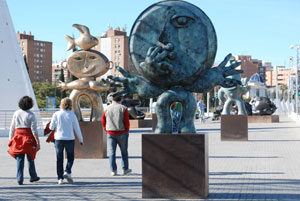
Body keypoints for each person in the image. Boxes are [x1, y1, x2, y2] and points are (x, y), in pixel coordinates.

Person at [49, 98, 84, 185]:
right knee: (70, 157)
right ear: (70, 105)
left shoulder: (56, 114)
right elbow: (77, 128)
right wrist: (81, 139)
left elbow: (51, 127)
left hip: (58, 139)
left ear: (61, 104)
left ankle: (60, 179)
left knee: (59, 159)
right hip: (70, 139)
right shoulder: (72, 115)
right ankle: (67, 171)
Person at [8, 96, 40, 185]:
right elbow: (34, 130)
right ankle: (33, 176)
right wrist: (37, 142)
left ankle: (19, 178)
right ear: (30, 104)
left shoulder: (16, 113)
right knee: (31, 158)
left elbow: (12, 127)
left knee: (20, 159)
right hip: (29, 138)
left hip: (18, 137)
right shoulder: (31, 115)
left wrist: (10, 139)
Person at [102, 92, 131, 176]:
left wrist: (106, 129)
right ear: (121, 99)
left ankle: (113, 170)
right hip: (122, 132)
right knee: (124, 152)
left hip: (110, 133)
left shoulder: (106, 108)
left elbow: (103, 121)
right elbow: (126, 121)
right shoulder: (123, 108)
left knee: (112, 152)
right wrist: (127, 130)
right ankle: (125, 169)